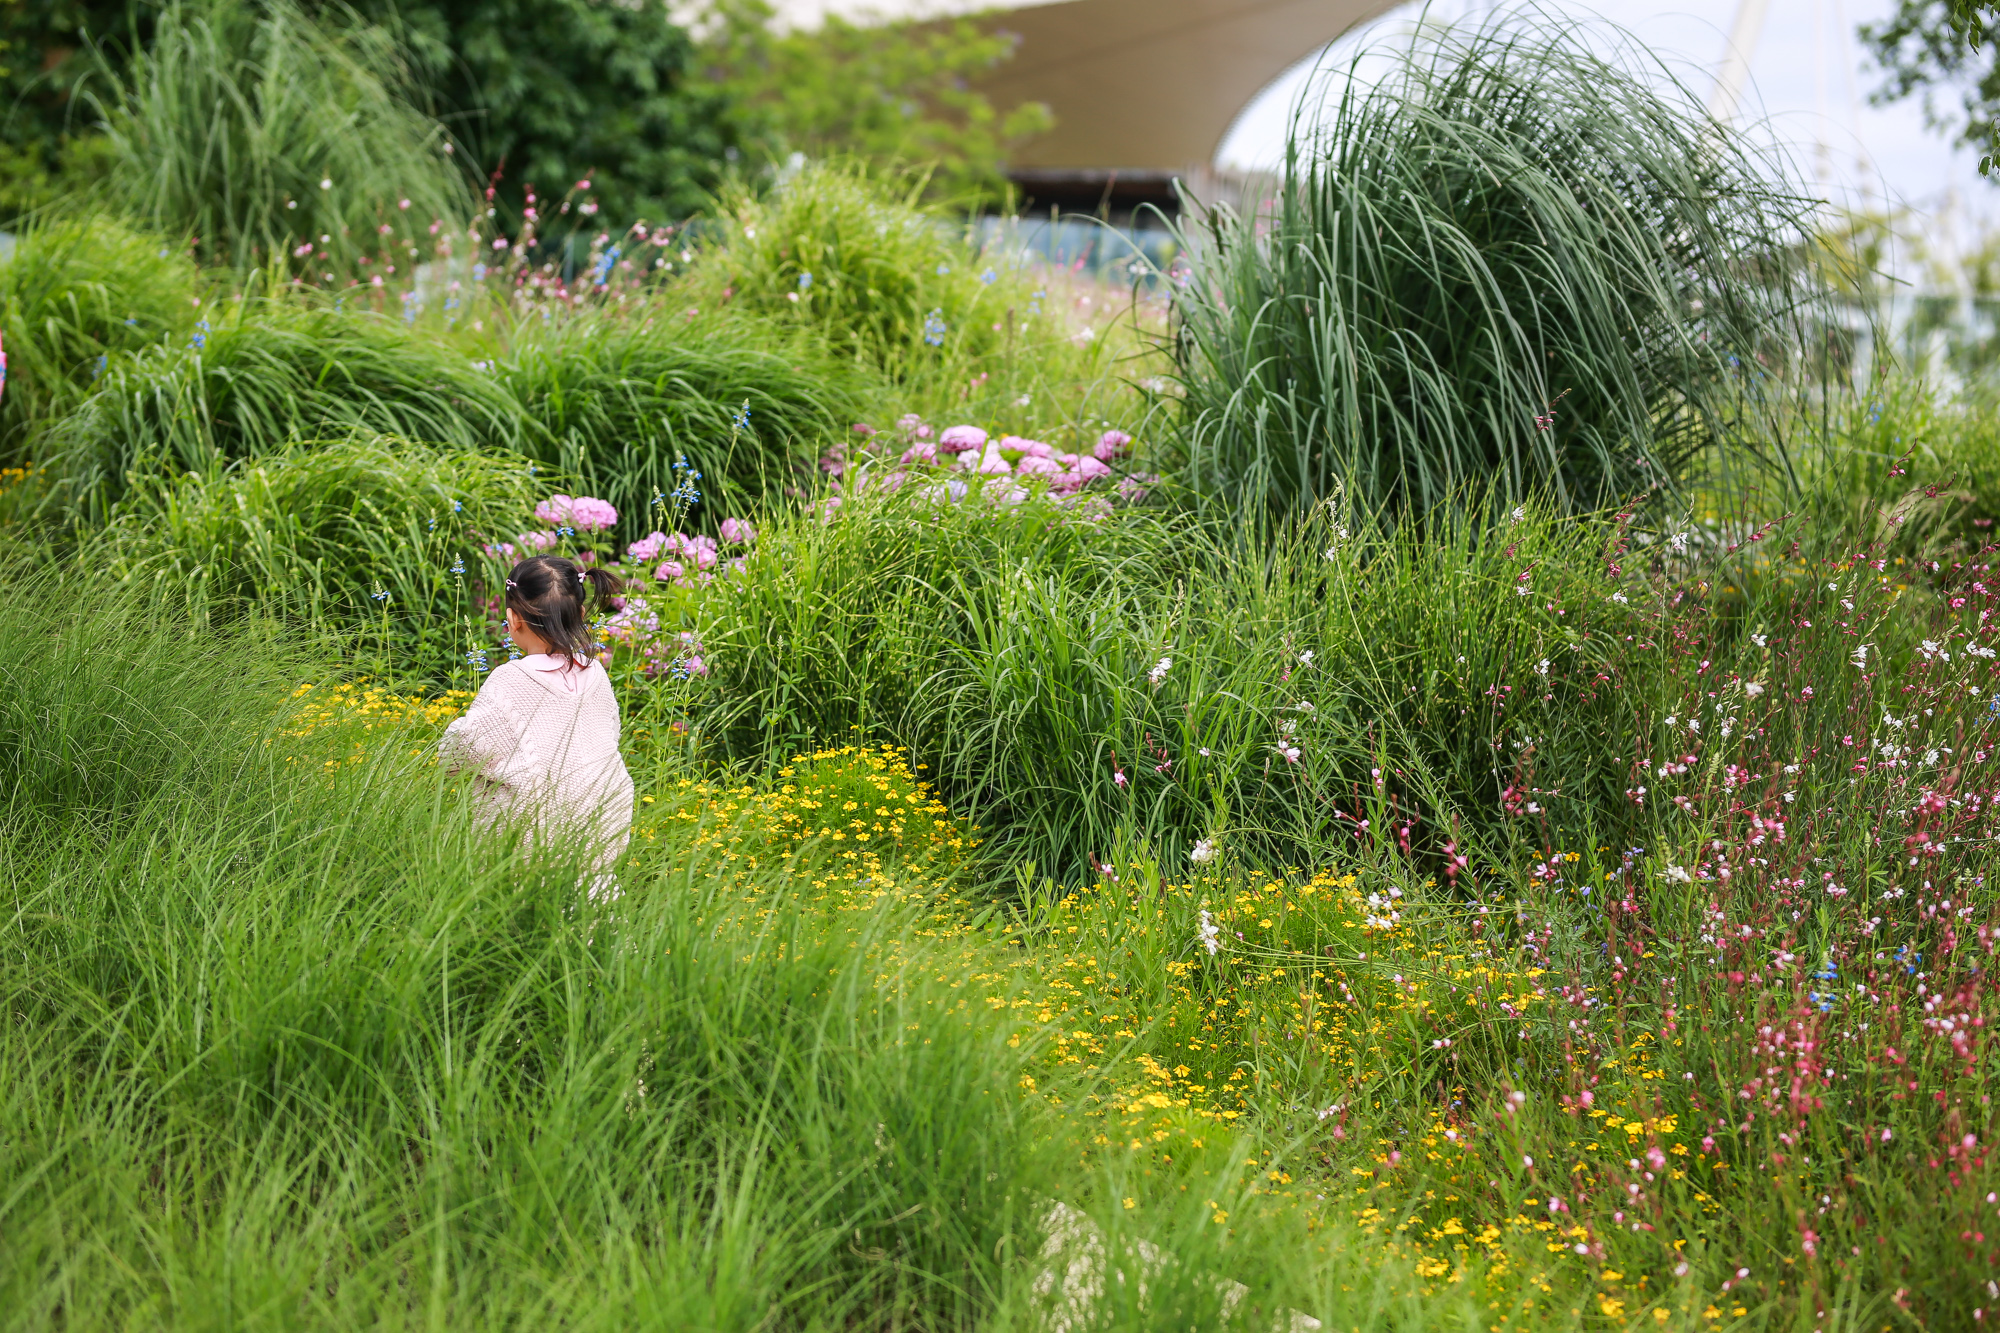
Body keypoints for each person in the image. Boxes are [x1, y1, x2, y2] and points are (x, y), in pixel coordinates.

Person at [439, 554, 634, 891]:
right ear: (582, 614)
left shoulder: (510, 679)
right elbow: (608, 734)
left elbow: (465, 752)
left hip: (529, 849)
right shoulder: (595, 673)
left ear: (513, 620)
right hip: (601, 831)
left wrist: (451, 740)